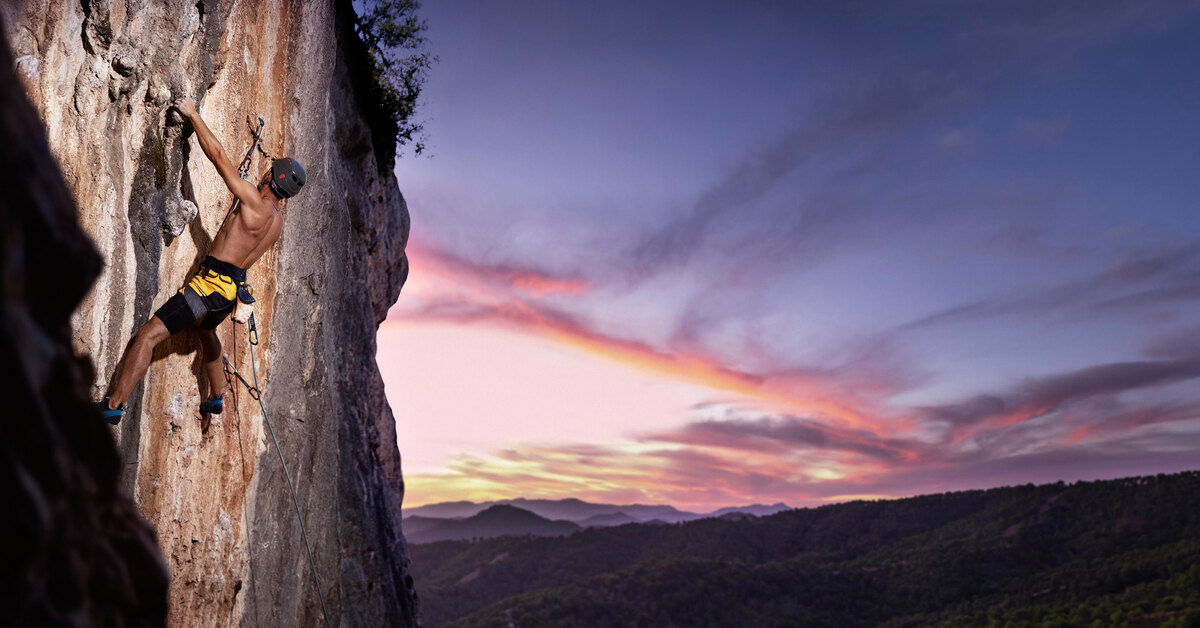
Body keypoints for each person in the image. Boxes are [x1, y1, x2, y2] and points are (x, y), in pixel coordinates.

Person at [98, 97, 306, 425]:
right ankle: (217, 396)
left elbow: (218, 156)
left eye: (269, 169)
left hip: (208, 286)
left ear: (272, 176)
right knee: (206, 331)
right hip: (230, 292)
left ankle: (114, 404)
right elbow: (239, 234)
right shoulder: (276, 223)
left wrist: (193, 114)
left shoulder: (252, 200)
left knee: (148, 335)